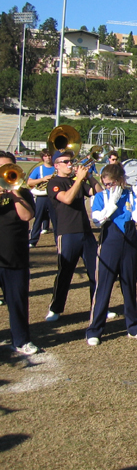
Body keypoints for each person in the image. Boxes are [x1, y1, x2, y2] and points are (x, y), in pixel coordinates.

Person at [87, 162, 137, 346]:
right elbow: (97, 220)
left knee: (129, 286)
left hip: (129, 242)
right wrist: (111, 204)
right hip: (110, 242)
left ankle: (134, 327)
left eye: (112, 184)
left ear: (121, 180)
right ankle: (94, 330)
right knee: (103, 287)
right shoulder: (100, 197)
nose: (109, 187)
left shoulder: (129, 194)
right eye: (106, 184)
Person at [45, 150, 104, 322]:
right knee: (65, 273)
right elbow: (67, 199)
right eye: (65, 161)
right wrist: (79, 179)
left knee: (96, 273)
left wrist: (90, 176)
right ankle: (55, 308)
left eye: (70, 161)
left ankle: (98, 306)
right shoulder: (54, 183)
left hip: (86, 233)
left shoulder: (75, 181)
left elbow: (98, 193)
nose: (69, 163)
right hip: (67, 232)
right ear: (56, 165)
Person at [0, 151, 39, 354]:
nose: (4, 173)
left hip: (15, 256)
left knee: (17, 302)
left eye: (8, 169)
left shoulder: (22, 192)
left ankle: (21, 340)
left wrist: (13, 192)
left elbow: (27, 216)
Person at [27, 149, 56, 247]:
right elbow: (29, 182)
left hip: (54, 197)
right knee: (38, 218)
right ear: (42, 157)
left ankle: (58, 241)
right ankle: (32, 241)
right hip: (41, 197)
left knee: (56, 220)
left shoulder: (56, 168)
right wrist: (43, 179)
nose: (48, 158)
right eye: (46, 156)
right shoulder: (38, 169)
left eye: (49, 155)